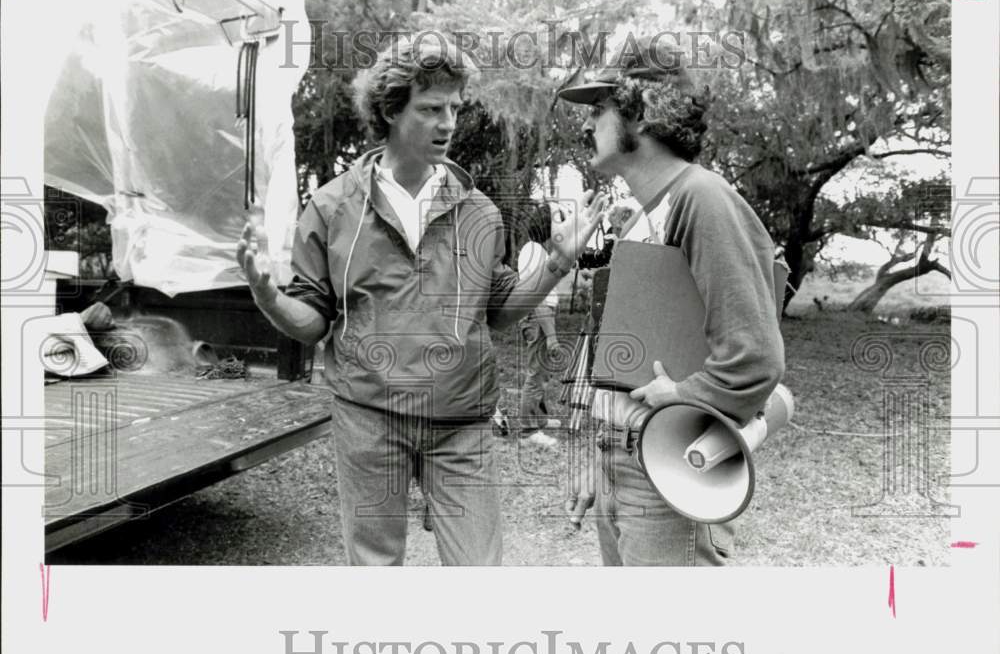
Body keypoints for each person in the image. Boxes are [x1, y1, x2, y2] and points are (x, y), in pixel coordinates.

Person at [236, 37, 605, 566]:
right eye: (431, 109)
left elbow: (499, 308)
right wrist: (267, 295)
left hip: (461, 420)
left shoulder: (478, 210)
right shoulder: (332, 206)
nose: (449, 122)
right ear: (390, 111)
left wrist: (555, 263)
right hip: (368, 416)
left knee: (477, 569)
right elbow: (311, 322)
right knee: (376, 567)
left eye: (455, 108)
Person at [558, 36, 785, 566]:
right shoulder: (642, 216)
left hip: (670, 467)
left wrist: (683, 395)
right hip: (624, 465)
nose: (587, 124)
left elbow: (755, 357)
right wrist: (599, 454)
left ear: (637, 114)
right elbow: (617, 361)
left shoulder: (701, 199)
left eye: (600, 109)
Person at [516, 202, 563, 448]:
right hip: (537, 316)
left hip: (540, 315)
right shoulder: (534, 251)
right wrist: (552, 336)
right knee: (536, 374)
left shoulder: (537, 250)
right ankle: (528, 430)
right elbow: (537, 297)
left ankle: (540, 420)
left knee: (542, 372)